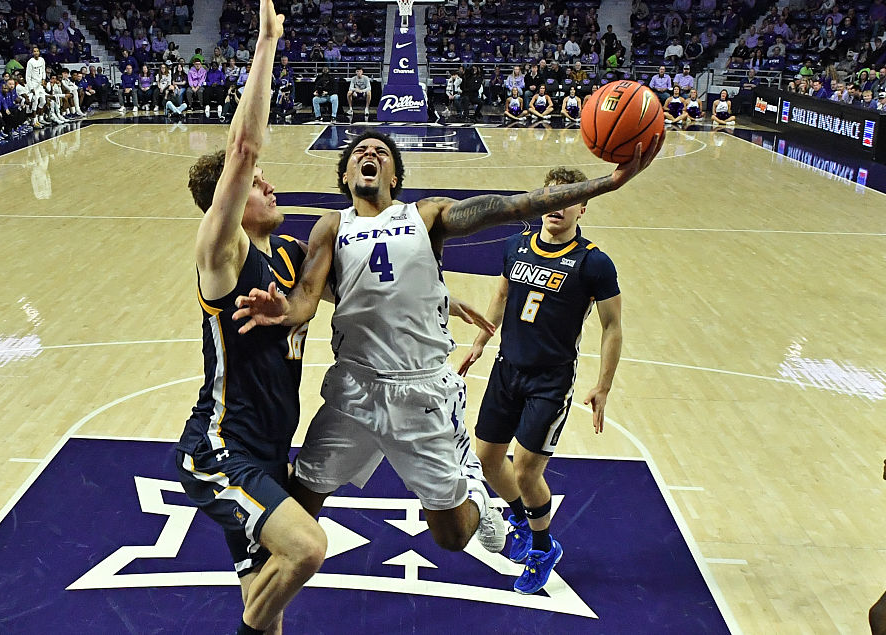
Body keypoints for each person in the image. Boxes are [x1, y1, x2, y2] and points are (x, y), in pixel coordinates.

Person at [231, 128, 662, 562]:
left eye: (381, 152)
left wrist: (608, 183)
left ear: (394, 176)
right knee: (302, 500)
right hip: (354, 388)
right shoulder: (332, 226)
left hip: (421, 392)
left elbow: (513, 206)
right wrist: (283, 312)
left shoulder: (426, 215)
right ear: (345, 176)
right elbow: (308, 293)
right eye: (359, 151)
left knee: (451, 536)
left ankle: (473, 482)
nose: (369, 153)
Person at [176, 0, 327, 635]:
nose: (269, 185)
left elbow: (330, 298)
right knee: (309, 546)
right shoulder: (223, 254)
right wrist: (266, 43)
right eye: (259, 186)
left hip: (269, 448)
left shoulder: (288, 256)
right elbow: (243, 148)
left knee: (269, 610)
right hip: (220, 447)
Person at [457, 165, 623, 594]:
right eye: (550, 198)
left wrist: (603, 385)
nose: (556, 207)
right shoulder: (516, 246)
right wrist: (479, 341)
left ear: (582, 208)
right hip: (506, 368)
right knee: (489, 457)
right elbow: (502, 294)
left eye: (567, 199)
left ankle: (543, 546)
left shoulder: (594, 263)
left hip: (550, 380)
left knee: (528, 470)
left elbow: (612, 327)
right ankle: (520, 515)